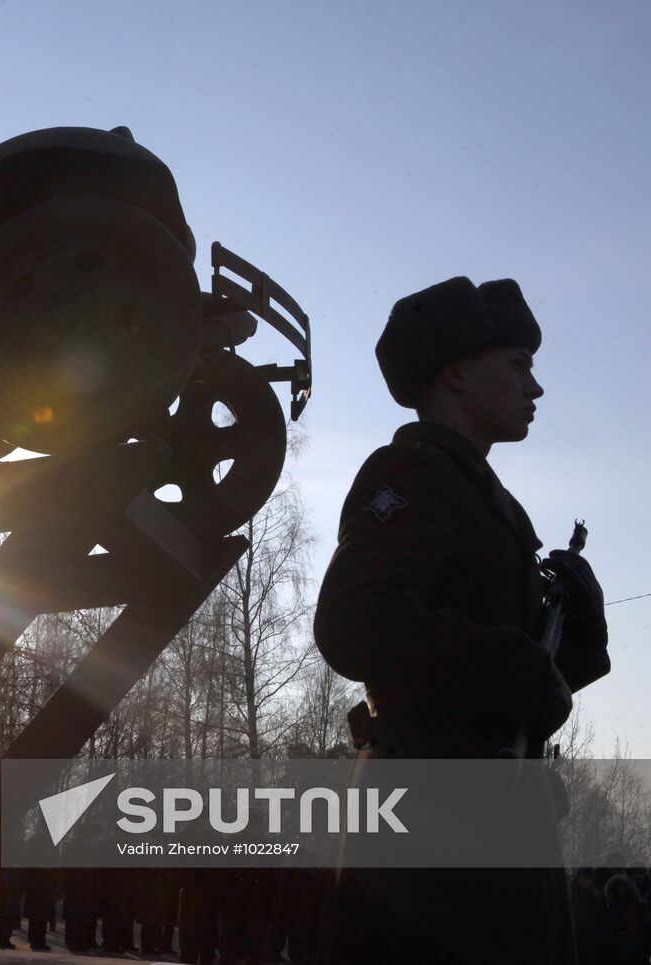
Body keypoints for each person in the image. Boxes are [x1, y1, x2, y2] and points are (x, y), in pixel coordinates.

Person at [314, 276, 610, 964]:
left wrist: (577, 627)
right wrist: (509, 658)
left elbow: (529, 684)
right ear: (456, 372)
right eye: (519, 366)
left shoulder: (487, 500)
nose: (534, 388)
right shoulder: (415, 472)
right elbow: (354, 620)